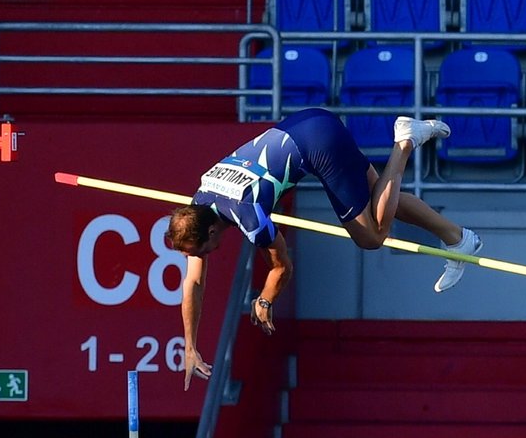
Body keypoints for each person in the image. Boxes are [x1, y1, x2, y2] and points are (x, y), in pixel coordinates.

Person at [166, 108, 483, 389]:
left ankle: (405, 143)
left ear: (210, 231)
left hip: (317, 145)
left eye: (201, 250)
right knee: (382, 196)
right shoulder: (201, 199)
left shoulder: (249, 216)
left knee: (371, 237)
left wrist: (265, 299)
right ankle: (458, 238)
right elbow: (193, 281)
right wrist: (190, 345)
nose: (202, 256)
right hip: (307, 122)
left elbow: (282, 267)